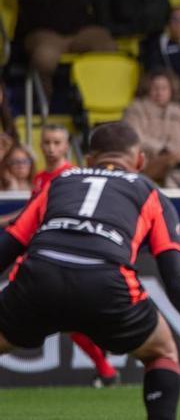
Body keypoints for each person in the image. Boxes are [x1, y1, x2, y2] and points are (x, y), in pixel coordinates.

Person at [0, 121, 180, 419]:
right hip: (106, 284)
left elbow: (9, 245)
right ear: (140, 161)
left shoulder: (60, 182)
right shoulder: (151, 194)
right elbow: (177, 279)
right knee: (162, 353)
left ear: (89, 159)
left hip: (39, 277)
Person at [0, 124, 122, 385]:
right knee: (69, 321)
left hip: (61, 255)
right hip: (39, 254)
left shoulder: (71, 176)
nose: (51, 148)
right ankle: (105, 367)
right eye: (47, 142)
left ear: (67, 146)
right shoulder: (43, 177)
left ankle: (106, 366)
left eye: (57, 143)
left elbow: (32, 215)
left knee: (66, 320)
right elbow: (32, 213)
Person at [123, 69, 180, 183]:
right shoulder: (135, 109)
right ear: (147, 89)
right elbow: (133, 138)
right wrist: (162, 149)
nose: (159, 92)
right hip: (145, 162)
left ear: (171, 90)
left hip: (179, 160)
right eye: (155, 88)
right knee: (173, 161)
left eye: (164, 88)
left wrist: (179, 152)